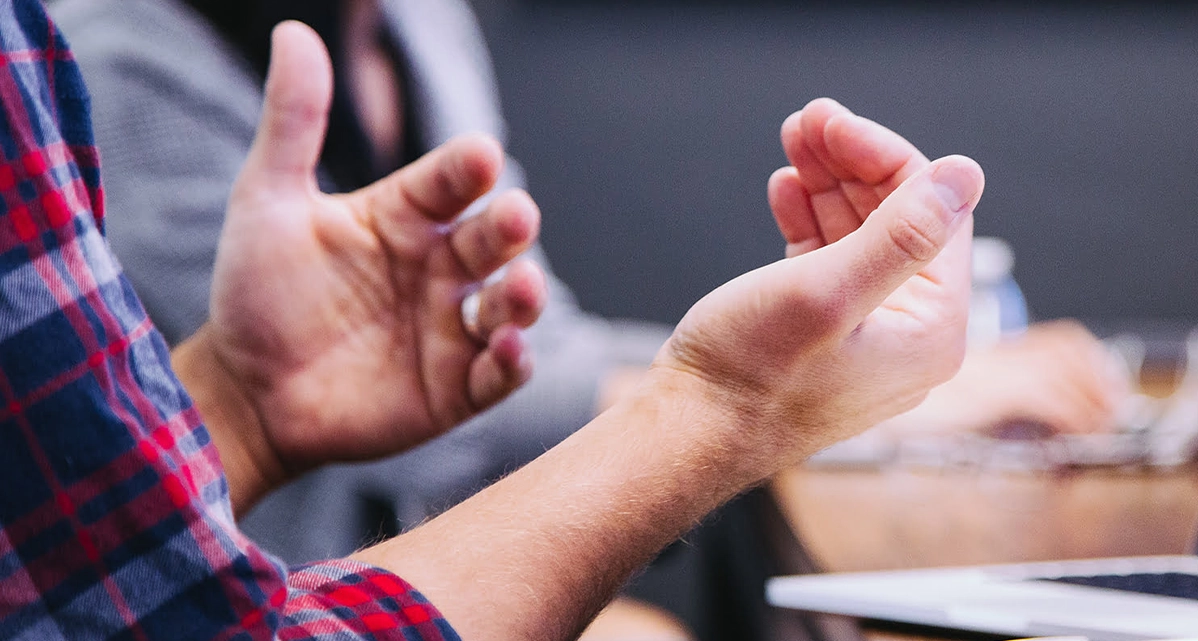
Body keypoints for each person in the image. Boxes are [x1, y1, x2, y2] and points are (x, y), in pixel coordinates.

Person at [52, 0, 1120, 637]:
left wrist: (242, 405)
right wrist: (746, 397)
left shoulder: (415, 20)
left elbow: (510, 345)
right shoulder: (104, 52)